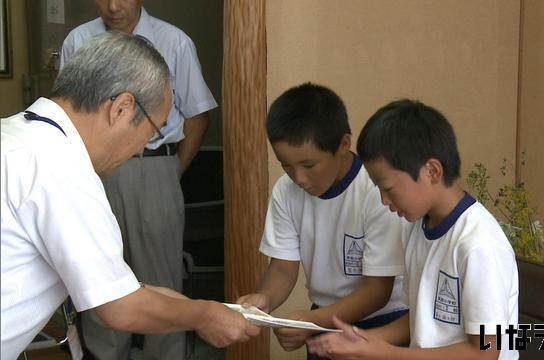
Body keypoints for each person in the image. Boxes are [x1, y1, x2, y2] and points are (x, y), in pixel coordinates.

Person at [0, 32, 260, 360]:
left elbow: (119, 287)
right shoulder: (62, 168)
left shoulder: (20, 134)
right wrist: (204, 317)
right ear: (122, 108)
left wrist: (210, 308)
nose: (141, 149)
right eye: (152, 132)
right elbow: (118, 307)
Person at [58, 1, 217, 358]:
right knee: (98, 276)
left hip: (155, 169)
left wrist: (173, 169)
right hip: (93, 172)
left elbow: (198, 115)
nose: (114, 6)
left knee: (161, 279)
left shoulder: (174, 42)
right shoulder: (78, 40)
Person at [306, 99, 519, 359]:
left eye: (389, 189)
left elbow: (486, 352)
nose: (384, 201)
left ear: (432, 171)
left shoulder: (478, 244)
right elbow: (417, 320)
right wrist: (361, 341)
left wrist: (384, 353)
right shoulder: (416, 227)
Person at [236, 83, 408, 359]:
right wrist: (264, 300)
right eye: (286, 165)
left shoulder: (376, 191)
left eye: (309, 165)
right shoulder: (285, 191)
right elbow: (282, 267)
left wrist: (311, 322)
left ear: (343, 144)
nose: (298, 178)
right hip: (323, 317)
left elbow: (378, 290)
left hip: (384, 319)